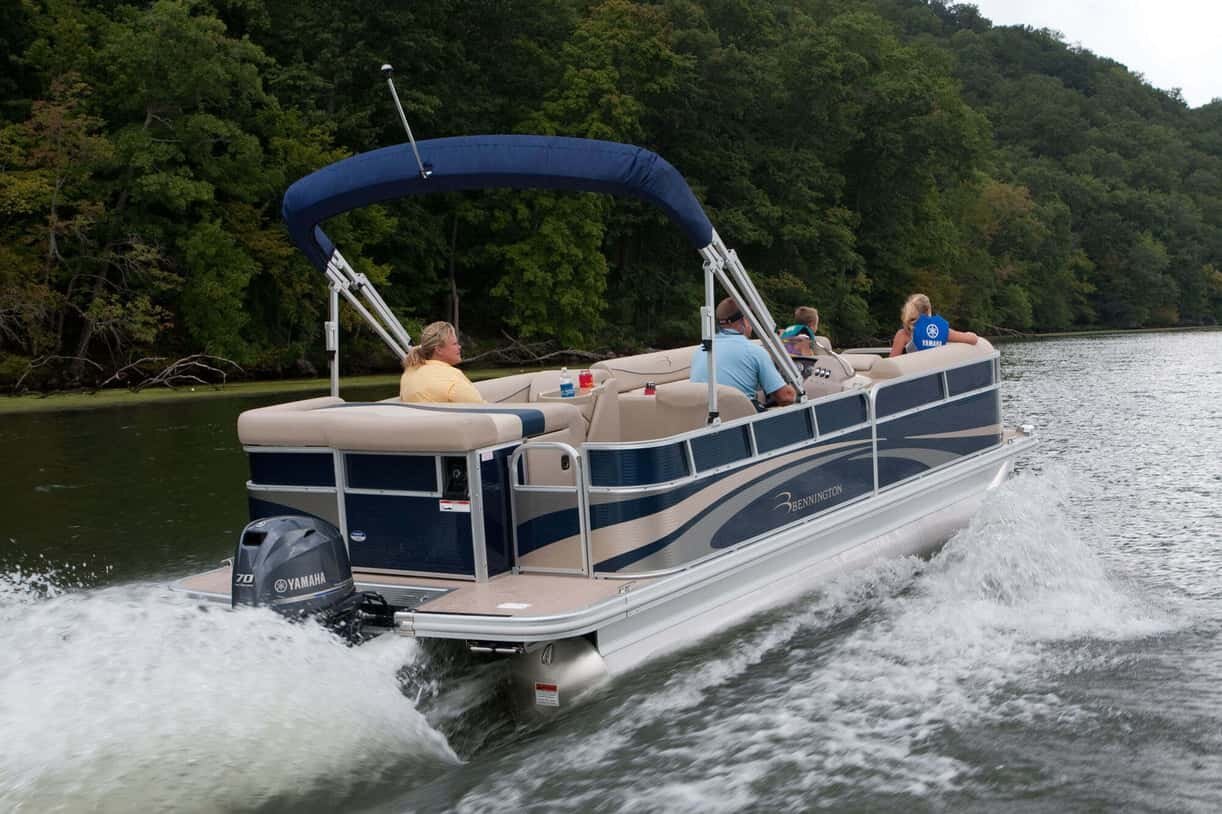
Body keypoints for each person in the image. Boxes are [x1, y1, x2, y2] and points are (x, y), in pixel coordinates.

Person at [690, 298, 796, 409]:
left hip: (704, 415)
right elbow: (786, 397)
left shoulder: (702, 350)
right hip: (739, 416)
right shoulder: (754, 351)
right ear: (745, 320)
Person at [399, 321, 485, 403]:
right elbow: (480, 407)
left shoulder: (408, 374)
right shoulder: (451, 377)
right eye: (455, 344)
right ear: (439, 350)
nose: (459, 347)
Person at [889, 294, 978, 357]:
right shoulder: (943, 331)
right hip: (935, 376)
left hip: (915, 376)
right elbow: (973, 339)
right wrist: (969, 333)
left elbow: (892, 364)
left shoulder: (904, 333)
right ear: (928, 310)